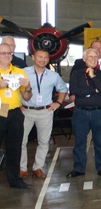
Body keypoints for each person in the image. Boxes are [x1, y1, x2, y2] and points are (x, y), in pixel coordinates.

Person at [20, 49, 67, 180]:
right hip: (26, 111)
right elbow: (14, 89)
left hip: (45, 112)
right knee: (21, 141)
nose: (43, 60)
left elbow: (63, 89)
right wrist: (17, 104)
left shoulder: (53, 76)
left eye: (46, 58)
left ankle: (38, 167)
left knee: (44, 141)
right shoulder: (23, 73)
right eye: (40, 57)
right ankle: (22, 169)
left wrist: (58, 102)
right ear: (33, 58)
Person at [67, 48, 101, 178]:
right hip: (81, 113)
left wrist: (93, 76)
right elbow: (75, 91)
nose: (93, 59)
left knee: (100, 142)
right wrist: (94, 89)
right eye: (90, 57)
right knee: (80, 142)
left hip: (99, 112)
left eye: (95, 57)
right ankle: (79, 168)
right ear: (84, 59)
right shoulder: (76, 74)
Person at [72, 41, 101, 156]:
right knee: (85, 131)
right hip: (85, 103)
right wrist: (96, 89)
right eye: (95, 48)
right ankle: (85, 151)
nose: (98, 50)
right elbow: (75, 87)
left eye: (100, 48)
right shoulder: (79, 64)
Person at [0, 42, 32, 189]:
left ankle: (15, 180)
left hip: (15, 112)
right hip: (1, 111)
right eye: (3, 53)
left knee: (15, 147)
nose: (7, 56)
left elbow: (26, 97)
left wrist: (28, 86)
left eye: (9, 53)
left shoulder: (19, 72)